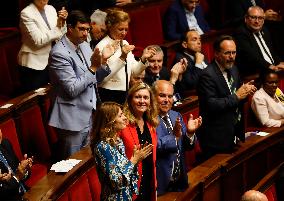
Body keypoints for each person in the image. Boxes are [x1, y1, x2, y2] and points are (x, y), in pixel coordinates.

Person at [48, 10, 113, 160]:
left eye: (87, 29)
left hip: (89, 113)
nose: (85, 33)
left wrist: (103, 61)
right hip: (71, 119)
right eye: (81, 29)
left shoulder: (84, 45)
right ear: (70, 28)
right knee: (72, 167)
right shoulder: (59, 53)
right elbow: (72, 89)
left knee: (87, 161)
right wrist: (94, 67)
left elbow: (94, 79)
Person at [197, 35, 257, 161]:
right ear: (217, 54)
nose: (232, 57)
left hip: (234, 133)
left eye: (234, 52)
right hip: (216, 138)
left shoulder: (234, 69)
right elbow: (211, 104)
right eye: (227, 53)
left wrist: (246, 92)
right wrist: (237, 96)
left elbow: (239, 96)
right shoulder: (207, 75)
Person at [91, 102, 153, 201]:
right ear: (109, 121)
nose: (125, 118)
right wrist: (133, 160)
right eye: (120, 115)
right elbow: (116, 182)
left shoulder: (118, 141)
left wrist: (136, 160)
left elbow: (127, 174)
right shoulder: (103, 147)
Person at [95, 9, 156, 104]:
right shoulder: (102, 46)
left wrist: (143, 59)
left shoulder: (125, 43)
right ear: (110, 27)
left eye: (126, 29)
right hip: (108, 93)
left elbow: (134, 72)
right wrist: (122, 57)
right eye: (120, 29)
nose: (124, 33)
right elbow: (101, 78)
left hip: (125, 92)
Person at [153, 80, 202, 195]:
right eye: (162, 95)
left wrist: (190, 133)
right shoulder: (148, 119)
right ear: (153, 97)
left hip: (179, 183)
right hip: (160, 186)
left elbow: (188, 146)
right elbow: (154, 146)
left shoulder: (176, 115)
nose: (167, 100)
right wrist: (174, 137)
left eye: (170, 96)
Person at [18, 0, 68, 93]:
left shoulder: (51, 9)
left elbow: (60, 34)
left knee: (53, 95)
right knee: (35, 100)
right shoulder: (26, 13)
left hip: (53, 60)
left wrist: (63, 22)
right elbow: (38, 40)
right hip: (34, 64)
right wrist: (58, 28)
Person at [119, 82, 159, 201]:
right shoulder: (122, 124)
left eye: (146, 97)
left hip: (148, 180)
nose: (142, 101)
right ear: (130, 100)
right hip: (129, 184)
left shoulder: (151, 123)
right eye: (138, 97)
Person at [234, 6, 284, 77]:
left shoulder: (265, 30)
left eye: (260, 18)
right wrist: (271, 67)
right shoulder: (240, 33)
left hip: (272, 71)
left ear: (263, 20)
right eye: (253, 17)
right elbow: (252, 57)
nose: (257, 21)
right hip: (255, 74)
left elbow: (272, 52)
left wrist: (281, 62)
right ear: (246, 18)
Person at [0, 129, 33, 201]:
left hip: (25, 193)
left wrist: (24, 169)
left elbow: (19, 172)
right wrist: (17, 176)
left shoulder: (5, 144)